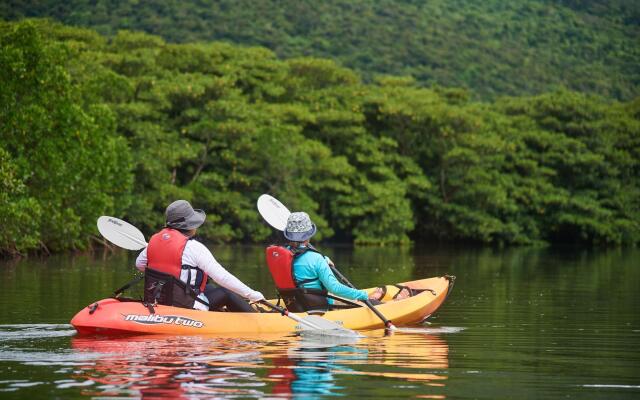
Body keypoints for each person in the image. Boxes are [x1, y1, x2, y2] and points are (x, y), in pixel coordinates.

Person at [135, 200, 264, 312]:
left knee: (209, 287)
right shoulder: (193, 247)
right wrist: (253, 295)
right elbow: (222, 277)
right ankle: (259, 319)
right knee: (226, 293)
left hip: (159, 300)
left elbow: (140, 265)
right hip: (185, 305)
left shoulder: (153, 242)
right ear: (190, 225)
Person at [265, 212, 384, 313]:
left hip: (295, 305)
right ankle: (372, 298)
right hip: (318, 308)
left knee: (342, 297)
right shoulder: (316, 259)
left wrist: (324, 259)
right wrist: (362, 295)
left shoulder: (282, 255)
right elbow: (335, 288)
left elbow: (300, 258)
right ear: (309, 235)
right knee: (357, 299)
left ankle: (371, 297)